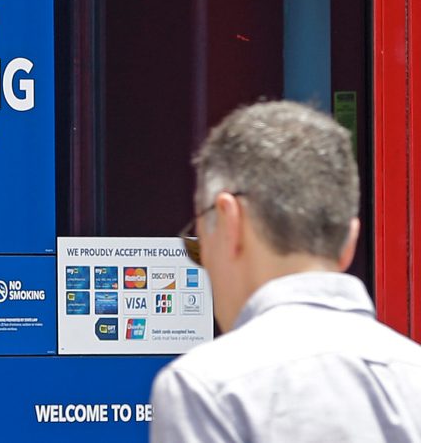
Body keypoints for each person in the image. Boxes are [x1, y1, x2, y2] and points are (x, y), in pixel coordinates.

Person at [150, 100, 421, 442]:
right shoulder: (412, 374)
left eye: (199, 240)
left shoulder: (205, 388)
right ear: (349, 242)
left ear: (231, 221)